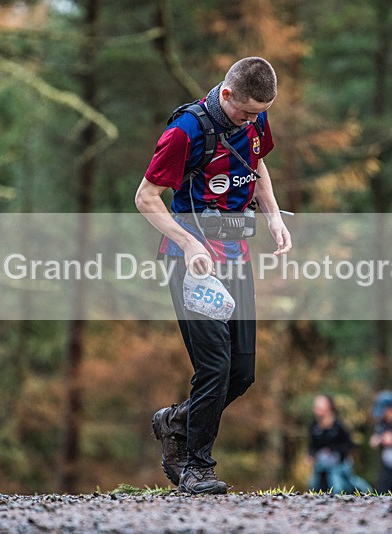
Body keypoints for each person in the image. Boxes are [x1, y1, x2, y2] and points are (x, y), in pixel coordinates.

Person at [136, 57, 291, 495]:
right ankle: (196, 468)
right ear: (226, 94)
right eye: (246, 112)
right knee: (215, 367)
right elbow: (145, 198)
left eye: (261, 113)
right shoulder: (185, 131)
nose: (253, 121)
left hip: (235, 255)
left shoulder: (255, 119)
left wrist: (274, 216)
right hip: (192, 263)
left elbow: (257, 163)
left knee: (242, 371)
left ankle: (176, 422)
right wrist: (188, 244)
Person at [306, 394, 372, 494]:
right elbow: (312, 445)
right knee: (313, 485)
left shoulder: (338, 425)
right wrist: (310, 455)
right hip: (321, 465)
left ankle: (368, 492)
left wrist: (334, 450)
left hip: (339, 465)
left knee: (340, 486)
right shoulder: (315, 426)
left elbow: (349, 445)